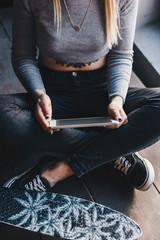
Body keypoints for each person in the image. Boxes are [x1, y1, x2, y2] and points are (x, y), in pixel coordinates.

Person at [1, 0, 160, 192]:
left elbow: (122, 55)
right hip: (52, 95)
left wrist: (117, 99)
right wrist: (39, 94)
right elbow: (23, 55)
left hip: (102, 91)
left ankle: (59, 169)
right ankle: (112, 151)